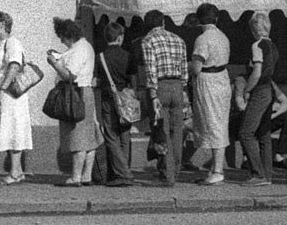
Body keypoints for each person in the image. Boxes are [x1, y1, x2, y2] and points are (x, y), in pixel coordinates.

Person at [46, 17, 98, 187]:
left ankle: (76, 177)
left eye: (61, 36)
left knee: (78, 137)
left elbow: (70, 76)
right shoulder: (83, 46)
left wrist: (54, 63)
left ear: (68, 35)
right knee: (89, 139)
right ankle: (86, 176)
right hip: (85, 92)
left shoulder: (79, 50)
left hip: (76, 94)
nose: (61, 40)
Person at [140, 9, 189, 186]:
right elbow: (184, 68)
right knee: (177, 131)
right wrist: (183, 88)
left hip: (160, 86)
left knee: (163, 131)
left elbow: (150, 68)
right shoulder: (179, 40)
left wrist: (152, 94)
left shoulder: (148, 40)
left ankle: (167, 175)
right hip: (177, 86)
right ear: (163, 23)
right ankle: (175, 172)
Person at [0, 11, 31, 184]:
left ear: (3, 25)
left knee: (13, 128)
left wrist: (1, 89)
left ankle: (13, 172)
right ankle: (18, 171)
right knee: (6, 128)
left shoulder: (12, 43)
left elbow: (14, 65)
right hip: (2, 93)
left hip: (11, 94)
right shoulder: (0, 44)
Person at [190, 2, 231, 186]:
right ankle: (216, 167)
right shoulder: (223, 37)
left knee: (213, 123)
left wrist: (185, 67)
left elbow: (197, 67)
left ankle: (217, 170)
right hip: (222, 78)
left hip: (209, 80)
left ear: (199, 20)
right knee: (220, 122)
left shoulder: (203, 39)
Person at [237, 12, 280, 186]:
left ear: (254, 29)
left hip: (260, 90)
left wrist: (247, 90)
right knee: (264, 133)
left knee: (246, 132)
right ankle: (267, 174)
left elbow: (256, 71)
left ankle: (257, 173)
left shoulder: (257, 45)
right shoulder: (273, 46)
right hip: (269, 89)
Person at [94, 21, 135, 187]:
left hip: (108, 99)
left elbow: (96, 80)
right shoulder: (128, 56)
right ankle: (124, 169)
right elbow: (133, 80)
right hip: (126, 99)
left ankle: (122, 173)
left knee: (111, 136)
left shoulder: (100, 57)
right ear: (120, 38)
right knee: (125, 135)